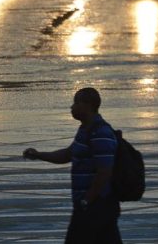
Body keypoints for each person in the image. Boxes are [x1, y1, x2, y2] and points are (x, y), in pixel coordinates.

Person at [24, 88, 122, 243]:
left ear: (88, 105)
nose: (72, 107)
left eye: (76, 102)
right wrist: (38, 155)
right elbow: (68, 154)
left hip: (97, 206)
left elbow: (105, 172)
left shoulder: (101, 132)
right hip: (88, 206)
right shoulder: (85, 129)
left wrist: (87, 200)